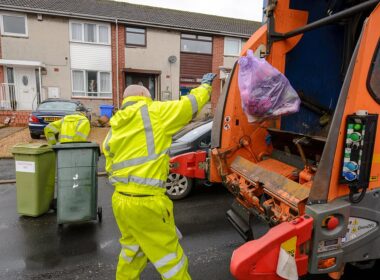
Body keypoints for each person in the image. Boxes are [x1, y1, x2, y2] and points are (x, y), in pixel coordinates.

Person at [103, 73, 217, 280]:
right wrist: (205, 86)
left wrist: (156, 165)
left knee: (132, 250)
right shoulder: (153, 112)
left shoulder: (115, 126)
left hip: (121, 201)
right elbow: (189, 105)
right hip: (146, 202)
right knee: (171, 259)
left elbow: (112, 163)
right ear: (144, 96)